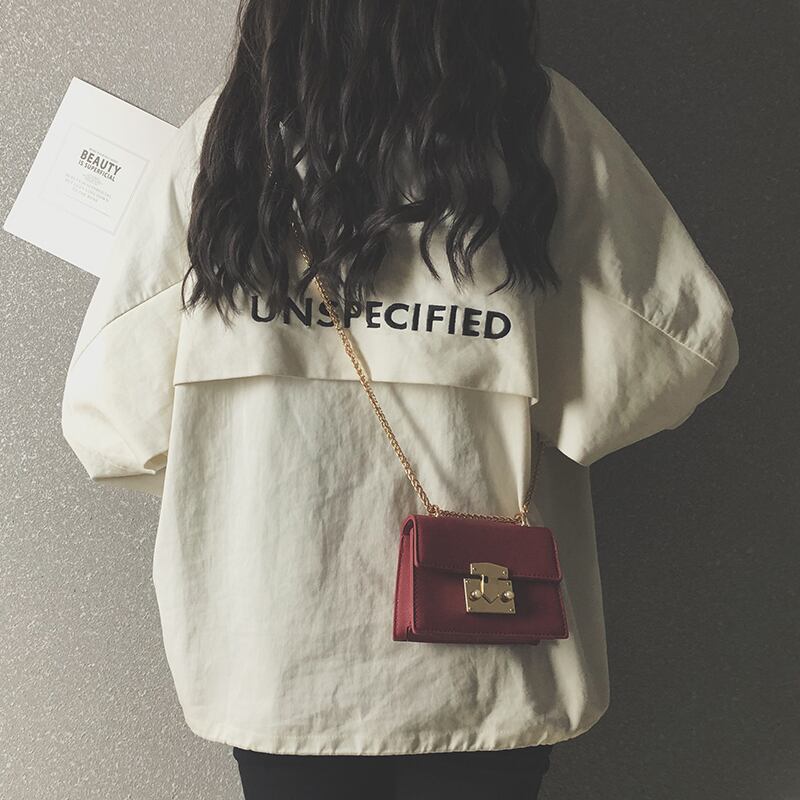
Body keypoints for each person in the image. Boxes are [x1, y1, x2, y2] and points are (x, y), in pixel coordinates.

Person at [60, 1, 739, 798]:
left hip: (282, 655)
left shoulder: (225, 144)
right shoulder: (533, 128)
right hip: (486, 654)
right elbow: (683, 349)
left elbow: (111, 417)